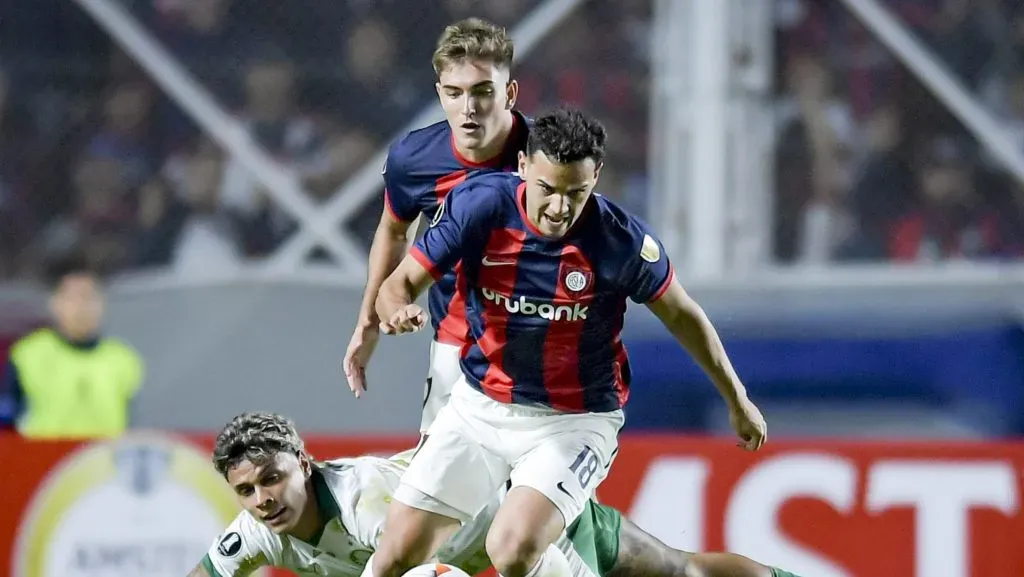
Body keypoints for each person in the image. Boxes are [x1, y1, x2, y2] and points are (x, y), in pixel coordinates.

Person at [370, 108, 767, 577]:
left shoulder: (621, 241)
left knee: (511, 547)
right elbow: (398, 285)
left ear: (596, 176)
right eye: (548, 189)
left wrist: (737, 399)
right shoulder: (478, 207)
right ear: (522, 166)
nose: (560, 207)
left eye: (576, 193)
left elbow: (683, 315)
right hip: (478, 407)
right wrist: (396, 309)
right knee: (395, 554)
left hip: (573, 421)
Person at [187, 413, 798, 577]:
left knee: (681, 573)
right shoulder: (259, 531)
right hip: (486, 549)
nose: (263, 499)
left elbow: (435, 574)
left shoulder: (365, 501)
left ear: (304, 464)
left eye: (272, 478)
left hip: (520, 521)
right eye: (247, 490)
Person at [342, 17, 527, 436]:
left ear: (510, 93)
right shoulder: (414, 159)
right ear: (439, 93)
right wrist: (369, 321)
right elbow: (394, 231)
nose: (468, 108)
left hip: (538, 347)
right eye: (454, 93)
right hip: (455, 346)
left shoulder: (544, 155)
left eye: (483, 91)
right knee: (437, 476)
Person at [0, 256, 143, 438]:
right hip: (44, 455)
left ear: (103, 304)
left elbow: (130, 423)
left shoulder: (123, 359)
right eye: (72, 298)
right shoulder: (28, 355)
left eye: (88, 298)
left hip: (101, 453)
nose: (81, 307)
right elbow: (6, 420)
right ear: (55, 303)